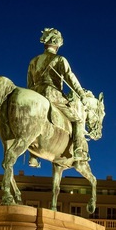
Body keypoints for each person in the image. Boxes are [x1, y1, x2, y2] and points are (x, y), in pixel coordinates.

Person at [26, 28, 89, 167]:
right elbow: (70, 77)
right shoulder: (59, 59)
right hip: (52, 94)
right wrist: (82, 94)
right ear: (56, 43)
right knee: (78, 120)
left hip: (35, 94)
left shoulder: (33, 61)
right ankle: (79, 152)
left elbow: (30, 84)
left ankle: (33, 156)